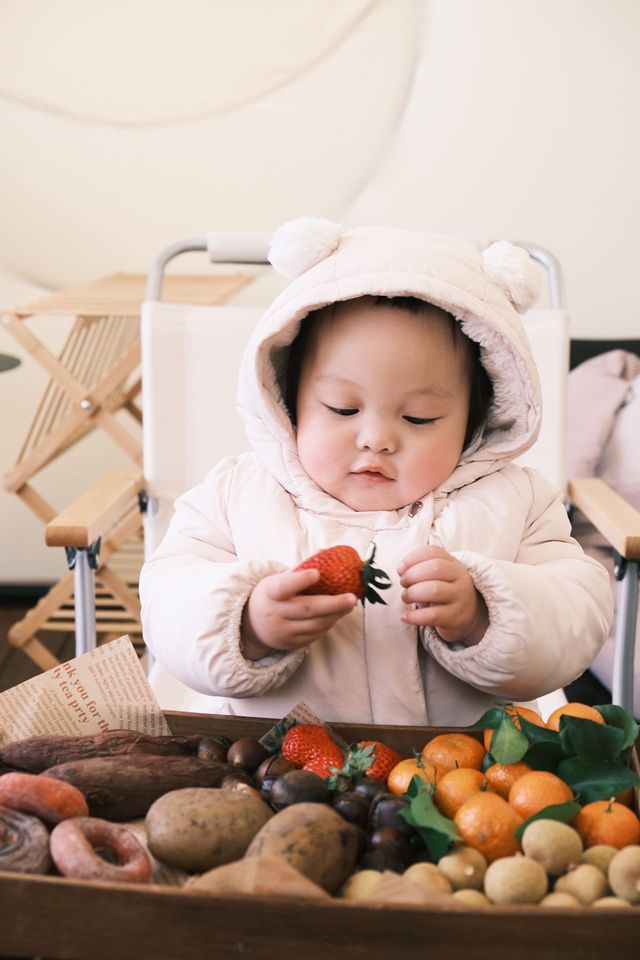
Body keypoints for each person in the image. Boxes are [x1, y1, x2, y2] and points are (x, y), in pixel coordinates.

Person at [140, 218, 613, 726]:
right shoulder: (237, 494)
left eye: (419, 418)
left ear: (474, 421)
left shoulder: (517, 501)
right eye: (343, 409)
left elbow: (577, 613)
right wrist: (247, 623)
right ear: (289, 401)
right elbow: (168, 600)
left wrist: (483, 613)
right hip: (269, 774)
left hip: (459, 779)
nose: (376, 438)